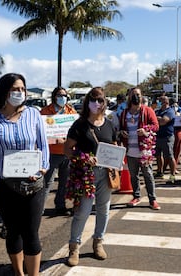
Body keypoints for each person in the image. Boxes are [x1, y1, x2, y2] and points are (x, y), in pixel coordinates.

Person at [0, 73, 50, 276]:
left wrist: (42, 168)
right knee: (13, 232)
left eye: (22, 89)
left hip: (33, 182)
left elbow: (43, 145)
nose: (19, 93)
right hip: (3, 185)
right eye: (14, 89)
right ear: (4, 92)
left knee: (31, 233)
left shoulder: (34, 114)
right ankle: (18, 273)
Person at [64, 87, 117, 267]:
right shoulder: (80, 125)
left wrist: (115, 161)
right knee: (82, 212)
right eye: (93, 100)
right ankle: (74, 247)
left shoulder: (109, 124)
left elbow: (115, 146)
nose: (97, 103)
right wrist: (84, 158)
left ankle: (98, 242)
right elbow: (67, 150)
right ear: (87, 102)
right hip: (85, 175)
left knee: (104, 210)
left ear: (105, 103)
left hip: (106, 173)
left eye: (100, 100)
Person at [119, 87, 160, 210]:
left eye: (137, 94)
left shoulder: (147, 111)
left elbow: (156, 126)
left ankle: (152, 199)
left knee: (148, 174)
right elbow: (120, 128)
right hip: (130, 150)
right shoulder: (124, 113)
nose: (135, 97)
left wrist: (145, 130)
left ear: (141, 96)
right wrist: (122, 132)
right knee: (133, 175)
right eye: (132, 95)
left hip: (144, 150)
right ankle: (136, 196)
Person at [40, 86, 77, 216]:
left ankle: (60, 206)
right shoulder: (45, 112)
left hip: (67, 152)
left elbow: (75, 130)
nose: (63, 98)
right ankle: (39, 209)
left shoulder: (71, 111)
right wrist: (54, 139)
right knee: (46, 183)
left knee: (64, 183)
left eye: (65, 95)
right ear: (54, 97)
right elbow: (41, 133)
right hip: (51, 152)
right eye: (60, 95)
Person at [154, 95, 176, 183]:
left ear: (166, 102)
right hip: (158, 136)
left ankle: (173, 175)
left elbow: (163, 121)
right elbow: (153, 121)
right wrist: (158, 119)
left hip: (167, 137)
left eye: (160, 101)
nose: (158, 102)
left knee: (170, 156)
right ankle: (160, 172)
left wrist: (158, 119)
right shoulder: (158, 111)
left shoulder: (170, 111)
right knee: (158, 155)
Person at [171, 98, 181, 169]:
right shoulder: (169, 110)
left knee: (177, 149)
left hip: (178, 130)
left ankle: (174, 166)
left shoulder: (180, 109)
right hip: (171, 131)